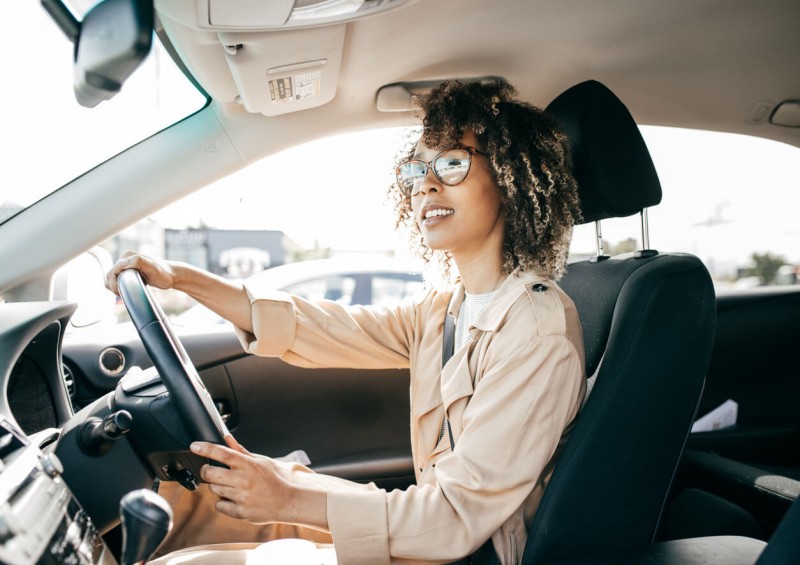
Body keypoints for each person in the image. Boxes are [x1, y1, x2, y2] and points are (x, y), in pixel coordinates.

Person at [106, 79, 586, 565]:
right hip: (432, 539)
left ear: (510, 179)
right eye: (418, 168)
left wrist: (290, 497)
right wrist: (180, 279)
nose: (426, 184)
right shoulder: (448, 308)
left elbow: (454, 518)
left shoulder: (535, 330)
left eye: (453, 163)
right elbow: (325, 327)